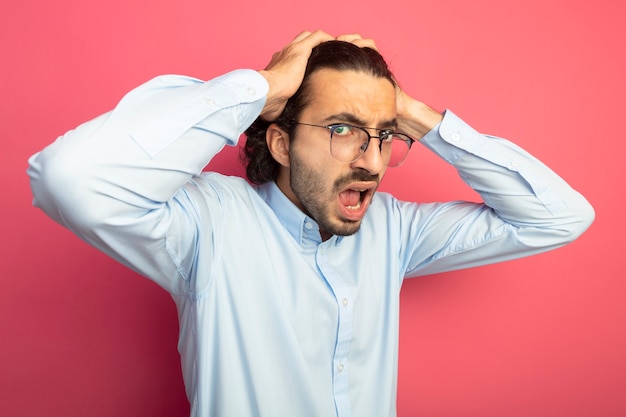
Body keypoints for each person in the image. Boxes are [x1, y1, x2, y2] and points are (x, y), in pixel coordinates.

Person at [27, 31, 594, 417]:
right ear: (280, 140)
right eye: (343, 129)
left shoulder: (396, 233)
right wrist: (263, 88)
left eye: (383, 135)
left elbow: (560, 216)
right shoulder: (206, 224)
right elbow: (70, 178)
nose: (372, 161)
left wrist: (416, 115)